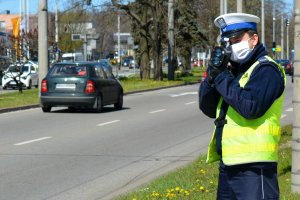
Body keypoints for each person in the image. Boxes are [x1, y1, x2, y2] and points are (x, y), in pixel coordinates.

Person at [199, 13, 286, 200]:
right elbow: (207, 107)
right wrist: (212, 74)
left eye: (237, 39)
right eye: (227, 41)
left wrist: (222, 76)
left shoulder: (266, 70)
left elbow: (250, 107)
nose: (231, 45)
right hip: (228, 165)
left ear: (254, 39)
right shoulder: (233, 71)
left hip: (255, 168)